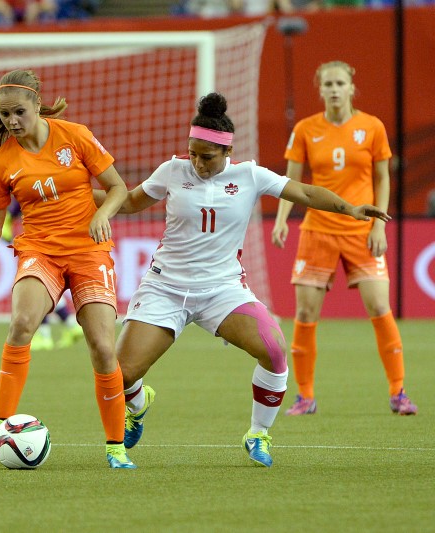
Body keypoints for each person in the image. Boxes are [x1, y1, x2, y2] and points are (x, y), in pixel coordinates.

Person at [95, 92, 391, 467]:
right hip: (165, 288)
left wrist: (349, 208)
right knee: (118, 376)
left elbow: (304, 192)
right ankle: (137, 405)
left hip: (222, 290)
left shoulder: (250, 175)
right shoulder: (172, 170)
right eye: (193, 153)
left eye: (207, 156)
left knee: (274, 350)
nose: (198, 163)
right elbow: (133, 200)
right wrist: (70, 200)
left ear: (227, 151)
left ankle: (258, 435)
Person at [0, 69, 134, 468]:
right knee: (22, 324)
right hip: (40, 250)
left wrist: (102, 214)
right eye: (5, 115)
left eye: (19, 112)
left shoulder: (75, 135)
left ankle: (115, 447)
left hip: (90, 251)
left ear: (39, 104)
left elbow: (118, 187)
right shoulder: (1, 160)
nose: (12, 122)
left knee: (104, 349)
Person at [272, 61, 417, 416]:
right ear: (319, 89)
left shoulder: (372, 127)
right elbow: (290, 183)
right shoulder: (306, 129)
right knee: (305, 312)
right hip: (317, 230)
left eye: (340, 83)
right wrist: (281, 220)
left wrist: (380, 224)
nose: (334, 89)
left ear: (352, 87)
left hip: (360, 232)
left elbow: (382, 178)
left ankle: (398, 392)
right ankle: (305, 397)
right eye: (328, 84)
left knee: (380, 308)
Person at [1, 198, 84, 351]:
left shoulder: (32, 189)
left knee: (37, 284)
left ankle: (47, 334)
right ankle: (67, 326)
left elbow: (24, 196)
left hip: (42, 242)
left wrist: (9, 217)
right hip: (61, 238)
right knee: (44, 286)